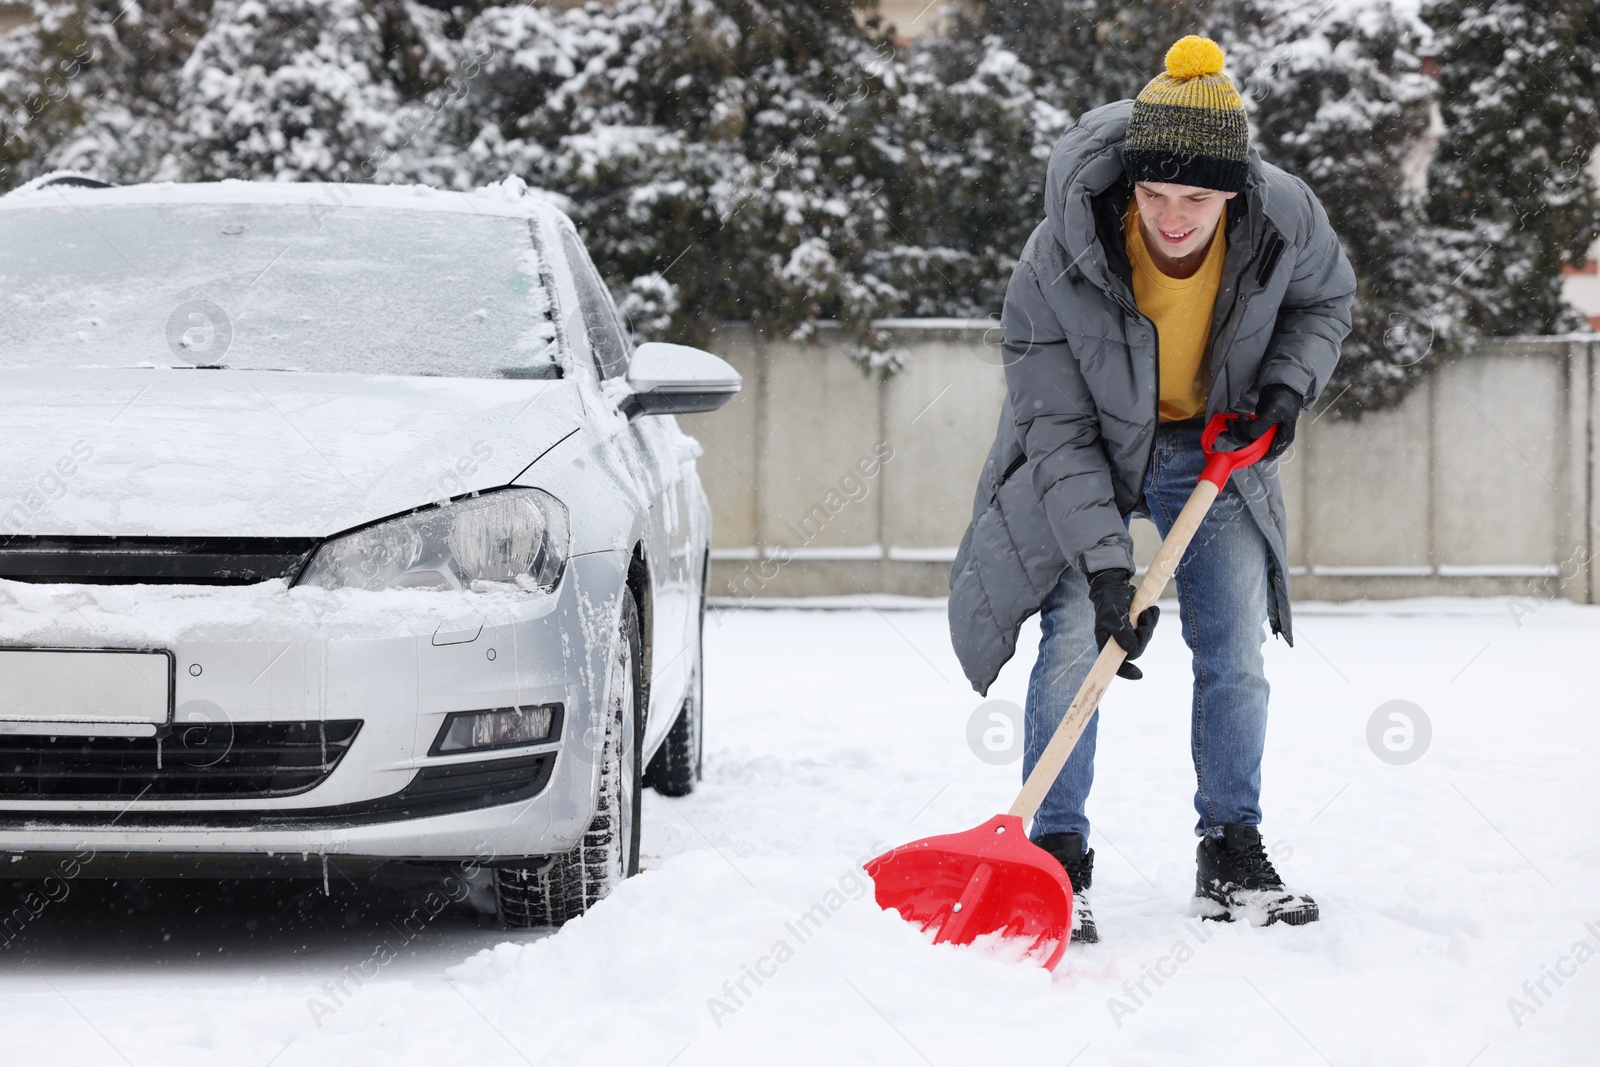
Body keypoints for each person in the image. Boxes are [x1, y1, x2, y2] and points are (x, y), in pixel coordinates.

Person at [948, 36, 1356, 944]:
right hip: (1086, 445)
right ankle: (1055, 854)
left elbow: (1326, 301)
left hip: (1210, 444)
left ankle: (1231, 848)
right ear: (1131, 183)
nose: (1174, 218)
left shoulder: (1285, 215)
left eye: (1198, 199)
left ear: (1235, 193)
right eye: (1156, 195)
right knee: (1070, 643)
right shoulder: (1060, 250)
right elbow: (1054, 427)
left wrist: (1285, 390)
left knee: (1234, 643)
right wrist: (1105, 571)